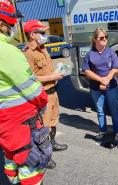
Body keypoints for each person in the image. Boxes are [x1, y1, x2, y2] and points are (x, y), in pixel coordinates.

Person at [0, 0, 51, 184]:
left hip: (5, 123)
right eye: (11, 24)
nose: (13, 28)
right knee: (31, 168)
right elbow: (34, 90)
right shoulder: (8, 52)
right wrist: (44, 101)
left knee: (11, 159)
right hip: (20, 123)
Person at [22, 20, 68, 152]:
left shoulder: (43, 48)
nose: (45, 35)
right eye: (42, 32)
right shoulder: (28, 53)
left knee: (53, 121)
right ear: (32, 34)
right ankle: (44, 153)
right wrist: (51, 77)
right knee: (44, 126)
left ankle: (52, 143)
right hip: (43, 95)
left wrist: (57, 74)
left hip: (53, 92)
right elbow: (30, 79)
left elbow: (47, 70)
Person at [82, 28, 118, 141]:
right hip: (96, 88)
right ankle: (103, 130)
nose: (104, 39)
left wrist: (108, 78)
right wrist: (100, 79)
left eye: (106, 37)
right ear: (95, 40)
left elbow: (116, 67)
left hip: (111, 86)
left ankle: (117, 131)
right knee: (100, 110)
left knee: (114, 109)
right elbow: (86, 70)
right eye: (101, 37)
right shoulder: (90, 54)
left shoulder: (111, 52)